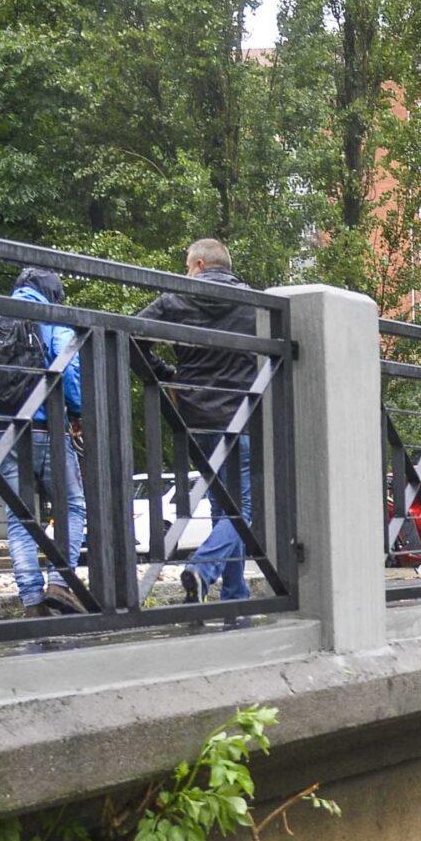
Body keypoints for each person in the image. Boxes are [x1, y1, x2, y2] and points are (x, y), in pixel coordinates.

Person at [136, 238, 262, 603]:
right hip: (239, 415)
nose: (186, 272)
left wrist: (165, 374)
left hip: (193, 415)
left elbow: (130, 335)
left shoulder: (175, 298)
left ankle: (234, 594)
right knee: (244, 509)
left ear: (201, 265)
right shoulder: (253, 303)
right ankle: (204, 568)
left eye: (188, 266)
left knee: (224, 506)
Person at [0, 266, 83, 615]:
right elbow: (70, 372)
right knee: (72, 506)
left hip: (1, 431)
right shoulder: (52, 321)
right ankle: (60, 583)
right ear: (53, 295)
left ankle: (31, 600)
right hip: (47, 428)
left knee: (19, 517)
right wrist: (78, 411)